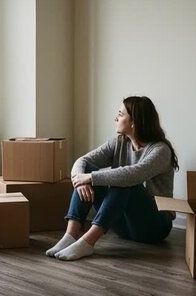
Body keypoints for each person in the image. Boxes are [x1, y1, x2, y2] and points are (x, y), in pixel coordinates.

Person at [46, 95, 179, 261]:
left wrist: (90, 178)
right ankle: (70, 236)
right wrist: (81, 181)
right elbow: (83, 161)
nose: (115, 118)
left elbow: (133, 174)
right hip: (123, 226)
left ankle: (87, 242)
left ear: (134, 122)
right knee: (90, 170)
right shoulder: (119, 143)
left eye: (120, 114)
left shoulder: (160, 150)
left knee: (125, 181)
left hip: (154, 227)